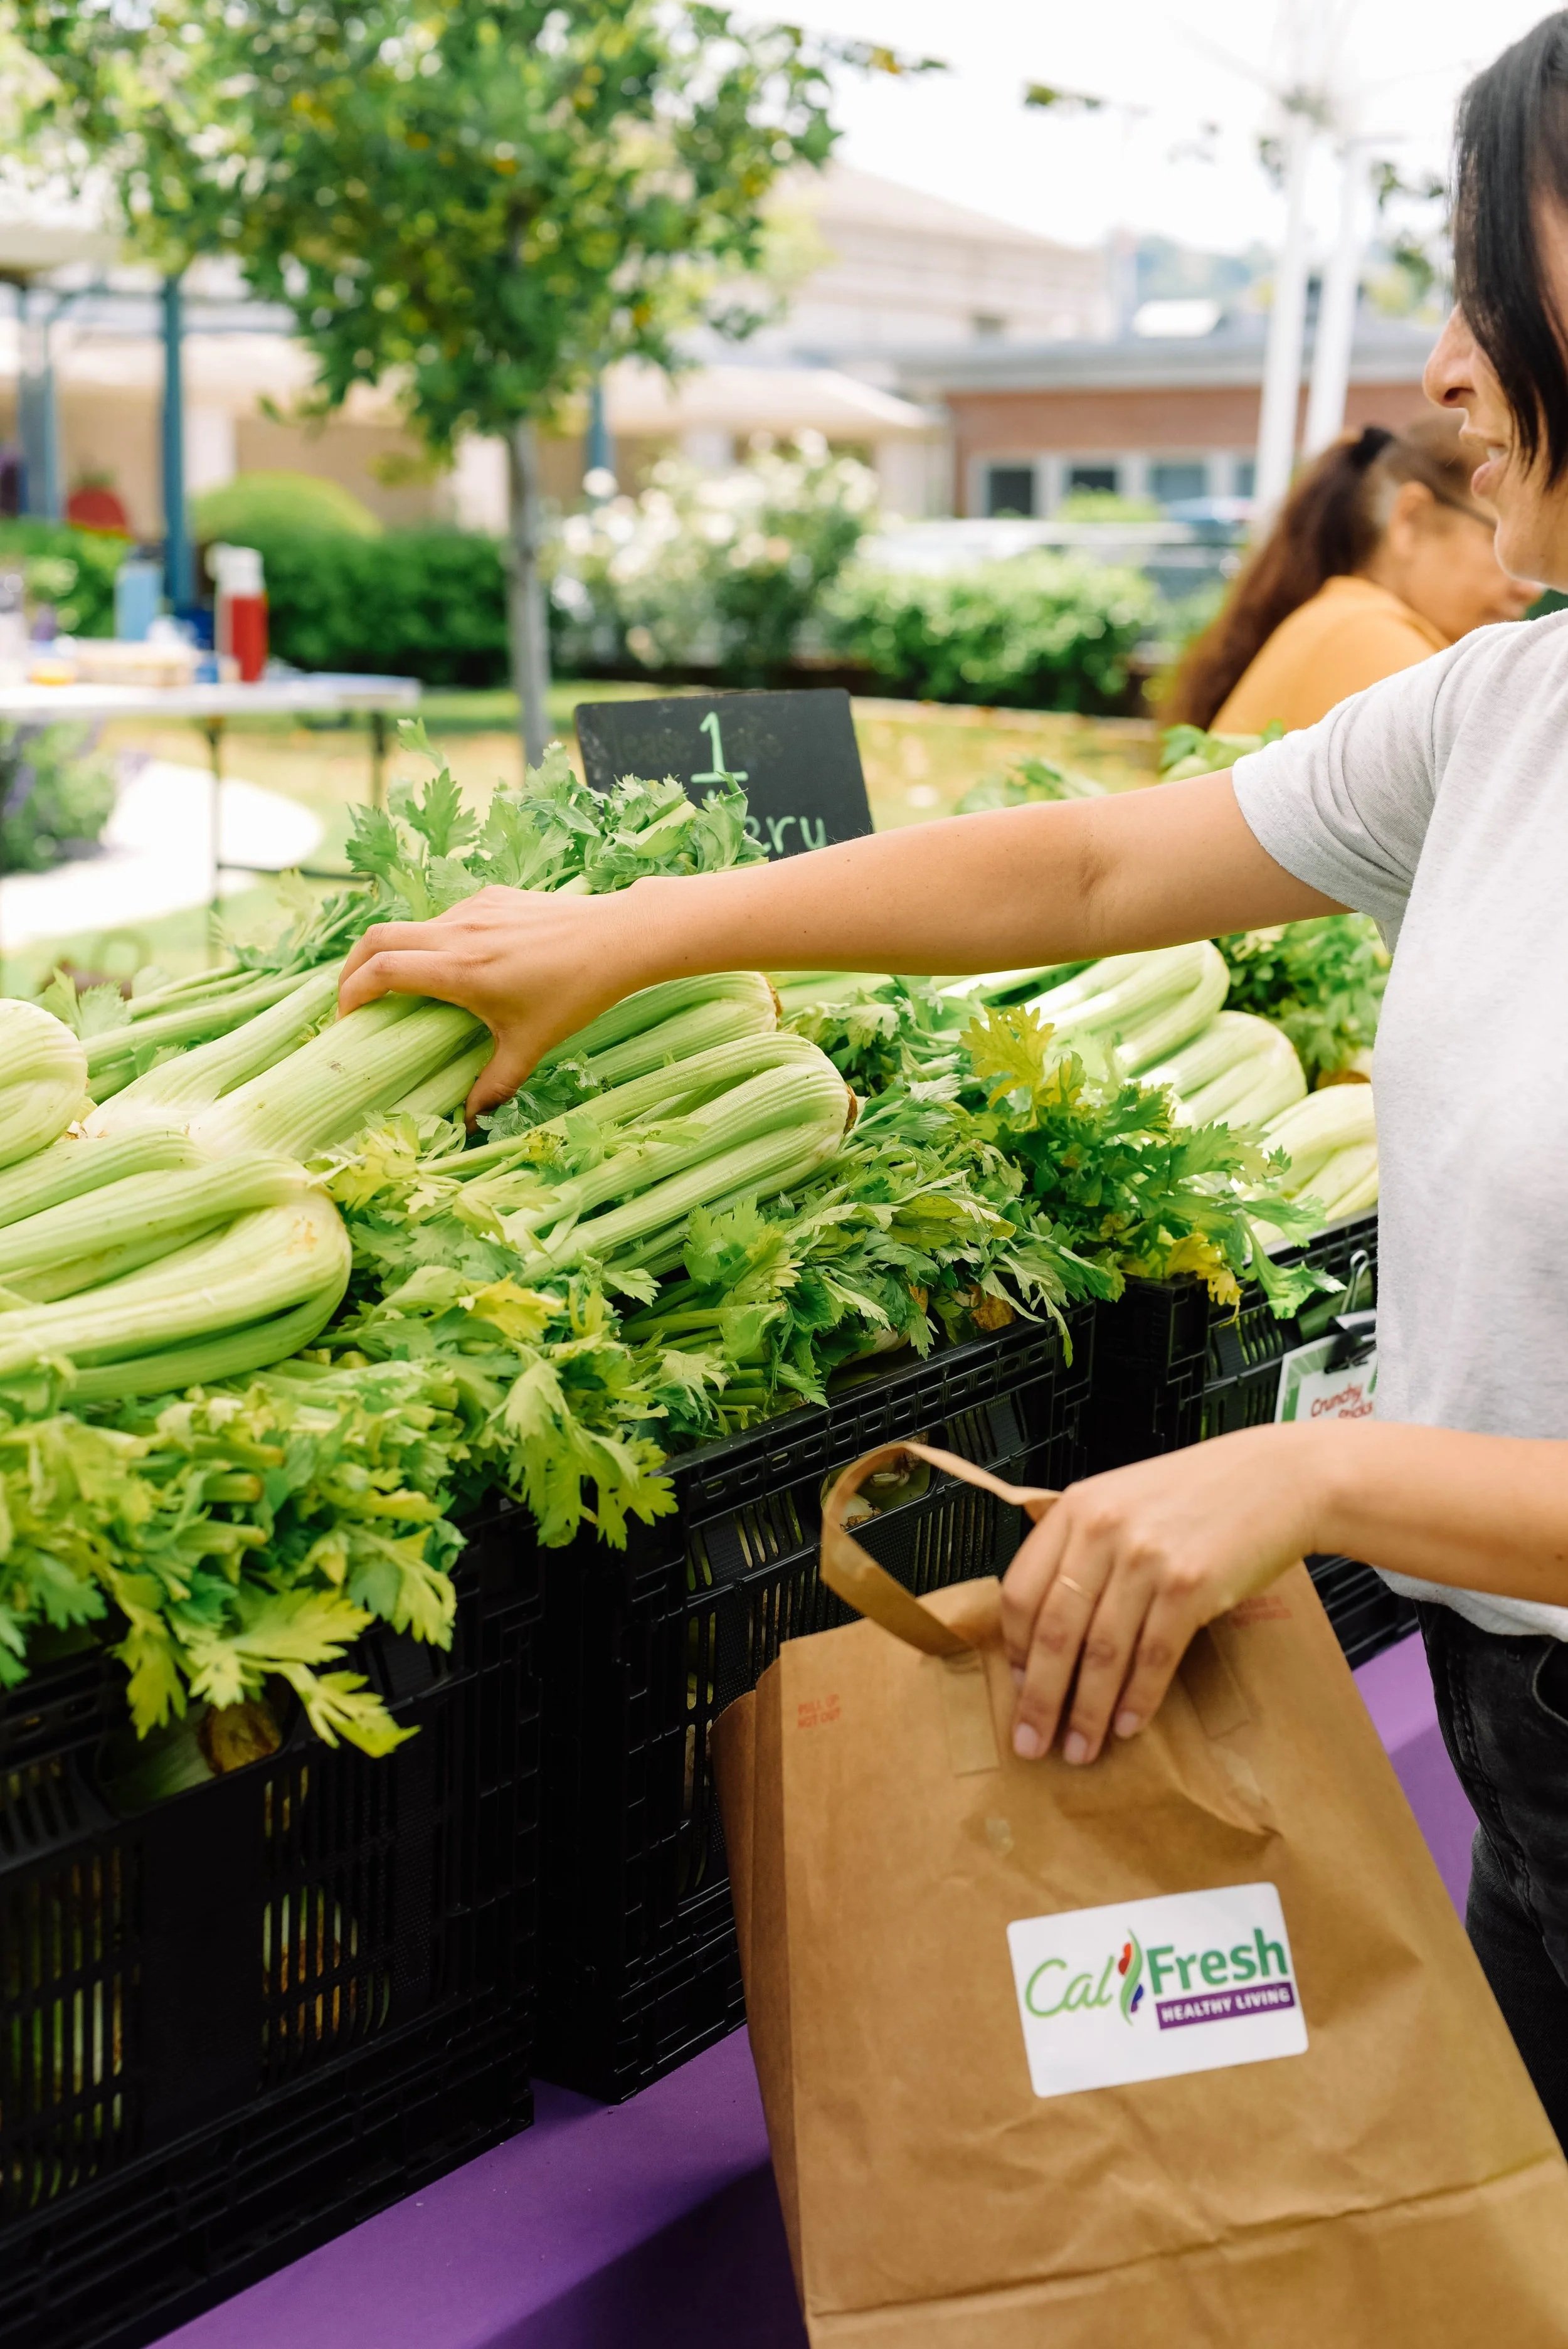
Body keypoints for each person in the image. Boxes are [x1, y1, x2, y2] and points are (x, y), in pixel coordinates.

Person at [341, 15, 1568, 2142]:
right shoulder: (1505, 712)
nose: (1447, 369)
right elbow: (1092, 862)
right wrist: (642, 924)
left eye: (1484, 277)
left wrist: (1330, 1477)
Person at [1167, 411, 1537, 734]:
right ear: (1410, 520)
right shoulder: (1375, 644)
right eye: (1501, 533)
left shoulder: (1342, 621)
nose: (1530, 588)